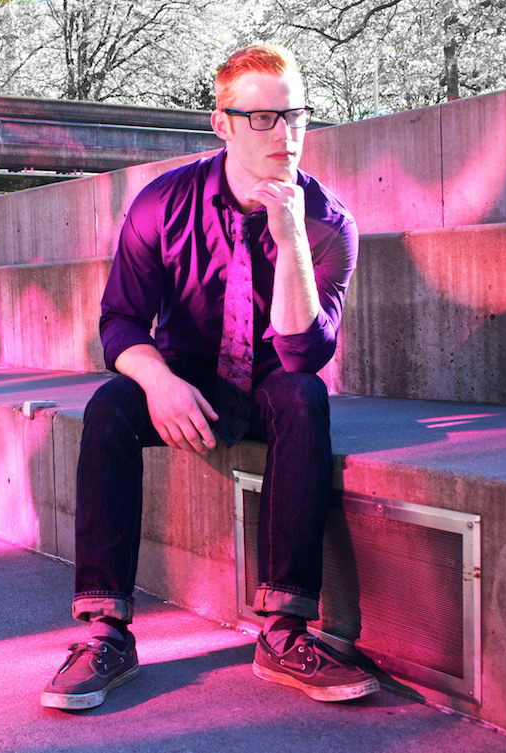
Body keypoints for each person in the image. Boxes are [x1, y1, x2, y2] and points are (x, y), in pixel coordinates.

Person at [41, 44, 377, 711]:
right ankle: (106, 632)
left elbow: (304, 353)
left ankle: (283, 631)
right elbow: (120, 322)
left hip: (273, 375)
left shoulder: (328, 223)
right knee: (110, 406)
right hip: (187, 372)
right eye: (264, 118)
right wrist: (159, 383)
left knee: (304, 396)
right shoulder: (162, 204)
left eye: (296, 115)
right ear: (222, 123)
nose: (285, 134)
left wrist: (289, 237)